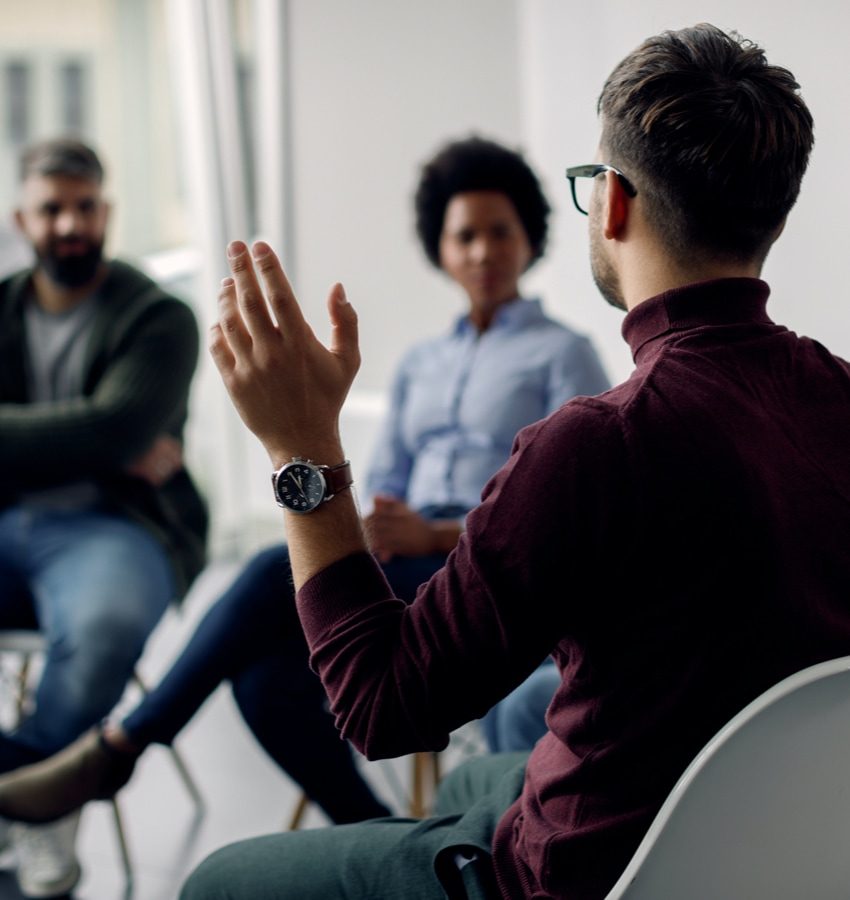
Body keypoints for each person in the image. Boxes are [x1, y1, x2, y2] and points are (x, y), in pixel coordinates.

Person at [174, 22, 850, 900]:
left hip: (594, 876)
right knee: (466, 783)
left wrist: (298, 450)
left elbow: (381, 708)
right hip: (787, 855)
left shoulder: (600, 443)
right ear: (778, 213)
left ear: (611, 204)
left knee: (220, 880)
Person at [0, 137, 609, 836]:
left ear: (530, 237)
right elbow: (386, 481)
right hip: (406, 557)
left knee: (268, 570)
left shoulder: (563, 353)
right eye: (463, 235)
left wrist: (438, 535)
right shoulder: (420, 363)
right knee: (263, 677)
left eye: (499, 232)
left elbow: (567, 507)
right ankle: (376, 832)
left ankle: (121, 746)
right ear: (439, 247)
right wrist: (380, 524)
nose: (481, 252)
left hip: (489, 564)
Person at [0, 137, 208, 899]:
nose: (68, 224)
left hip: (116, 528)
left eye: (84, 207)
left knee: (101, 634)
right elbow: (107, 432)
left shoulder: (160, 316)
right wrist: (94, 435)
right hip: (7, 520)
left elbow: (116, 429)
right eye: (51, 209)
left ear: (107, 212)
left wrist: (100, 436)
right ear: (22, 219)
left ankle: (37, 803)